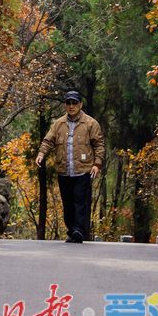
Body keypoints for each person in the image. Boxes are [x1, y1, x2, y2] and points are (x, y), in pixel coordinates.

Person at [35, 90, 104, 243]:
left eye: (74, 103)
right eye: (68, 103)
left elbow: (99, 145)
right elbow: (48, 141)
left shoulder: (91, 123)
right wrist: (41, 154)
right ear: (65, 105)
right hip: (64, 170)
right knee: (67, 203)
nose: (71, 106)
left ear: (80, 104)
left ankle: (79, 229)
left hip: (83, 170)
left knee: (80, 201)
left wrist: (97, 164)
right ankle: (72, 230)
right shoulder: (58, 124)